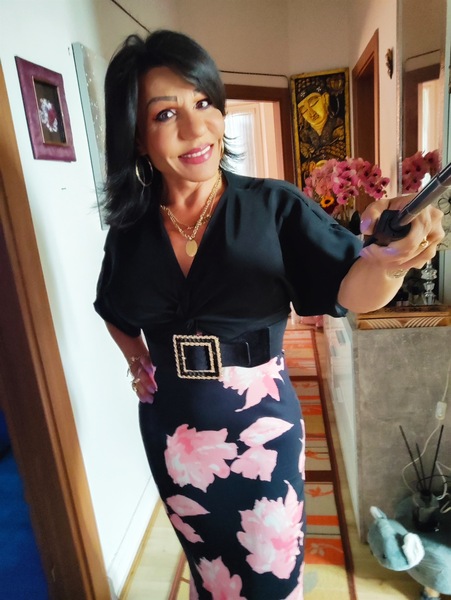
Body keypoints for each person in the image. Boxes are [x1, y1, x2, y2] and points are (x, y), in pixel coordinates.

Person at [94, 30, 444, 600]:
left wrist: (390, 261)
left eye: (203, 102)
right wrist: (136, 359)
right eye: (166, 113)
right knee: (210, 573)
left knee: (270, 575)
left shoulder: (273, 206)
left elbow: (351, 287)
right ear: (137, 136)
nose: (196, 128)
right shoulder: (129, 232)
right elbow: (111, 306)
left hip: (262, 431)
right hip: (173, 436)